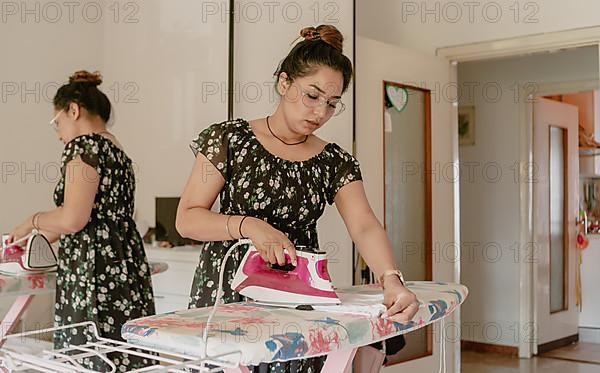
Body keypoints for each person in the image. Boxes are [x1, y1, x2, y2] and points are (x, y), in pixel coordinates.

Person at [176, 25, 418, 372]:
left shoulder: (334, 160)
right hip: (227, 296)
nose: (320, 112)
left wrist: (392, 281)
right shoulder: (227, 140)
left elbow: (364, 225)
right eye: (312, 96)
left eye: (332, 103)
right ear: (284, 82)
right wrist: (250, 227)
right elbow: (187, 219)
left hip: (296, 300)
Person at [7, 70, 155, 370]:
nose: (58, 132)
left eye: (57, 122)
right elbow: (94, 217)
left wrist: (30, 222)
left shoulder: (83, 147)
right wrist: (40, 238)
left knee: (91, 353)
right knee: (122, 350)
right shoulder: (117, 151)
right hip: (124, 263)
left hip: (93, 268)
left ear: (73, 110)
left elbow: (74, 218)